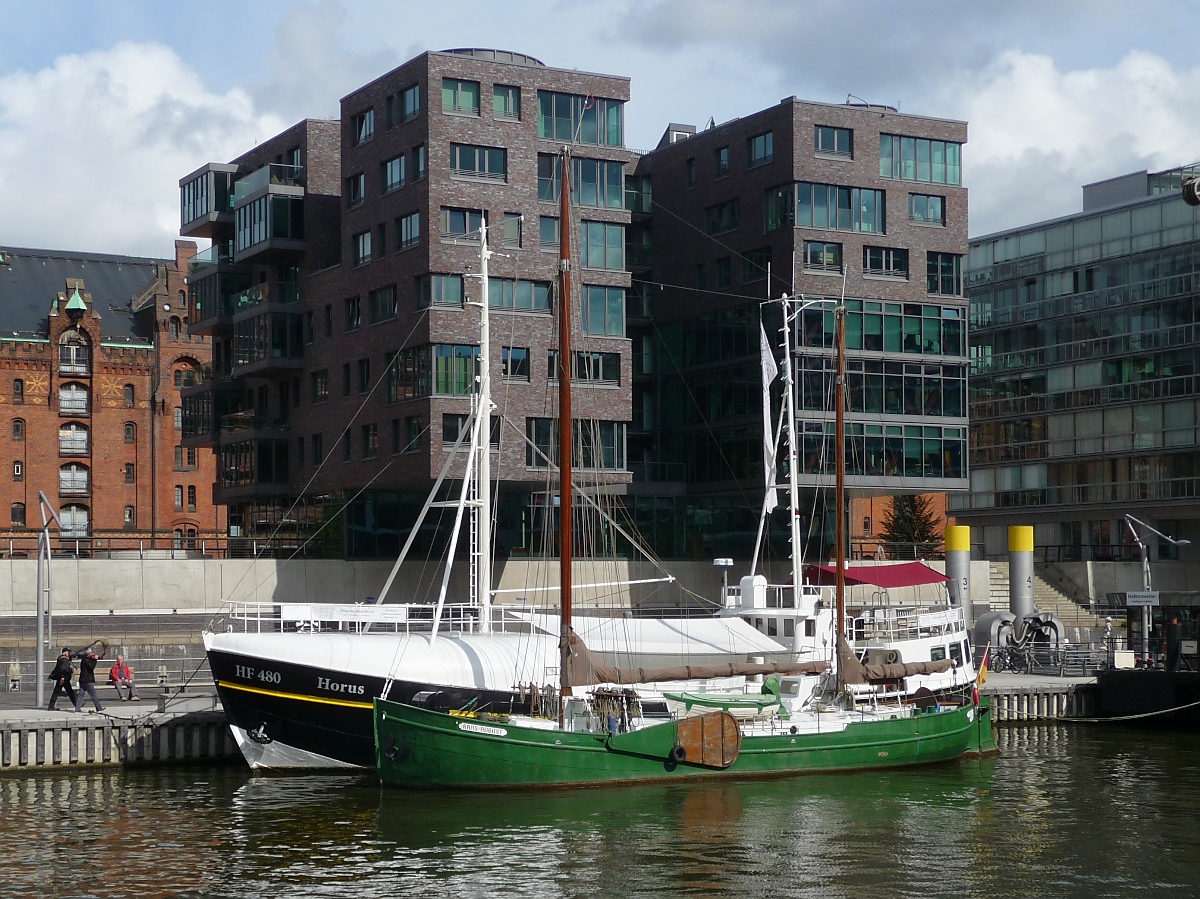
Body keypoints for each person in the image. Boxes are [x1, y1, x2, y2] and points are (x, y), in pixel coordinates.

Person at [73, 647, 105, 713]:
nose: (92, 654)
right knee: (93, 695)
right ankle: (99, 708)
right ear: (88, 654)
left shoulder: (84, 659)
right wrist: (95, 660)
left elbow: (94, 658)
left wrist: (100, 657)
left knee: (81, 695)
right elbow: (91, 667)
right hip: (87, 680)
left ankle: (77, 709)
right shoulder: (86, 660)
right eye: (91, 653)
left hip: (82, 680)